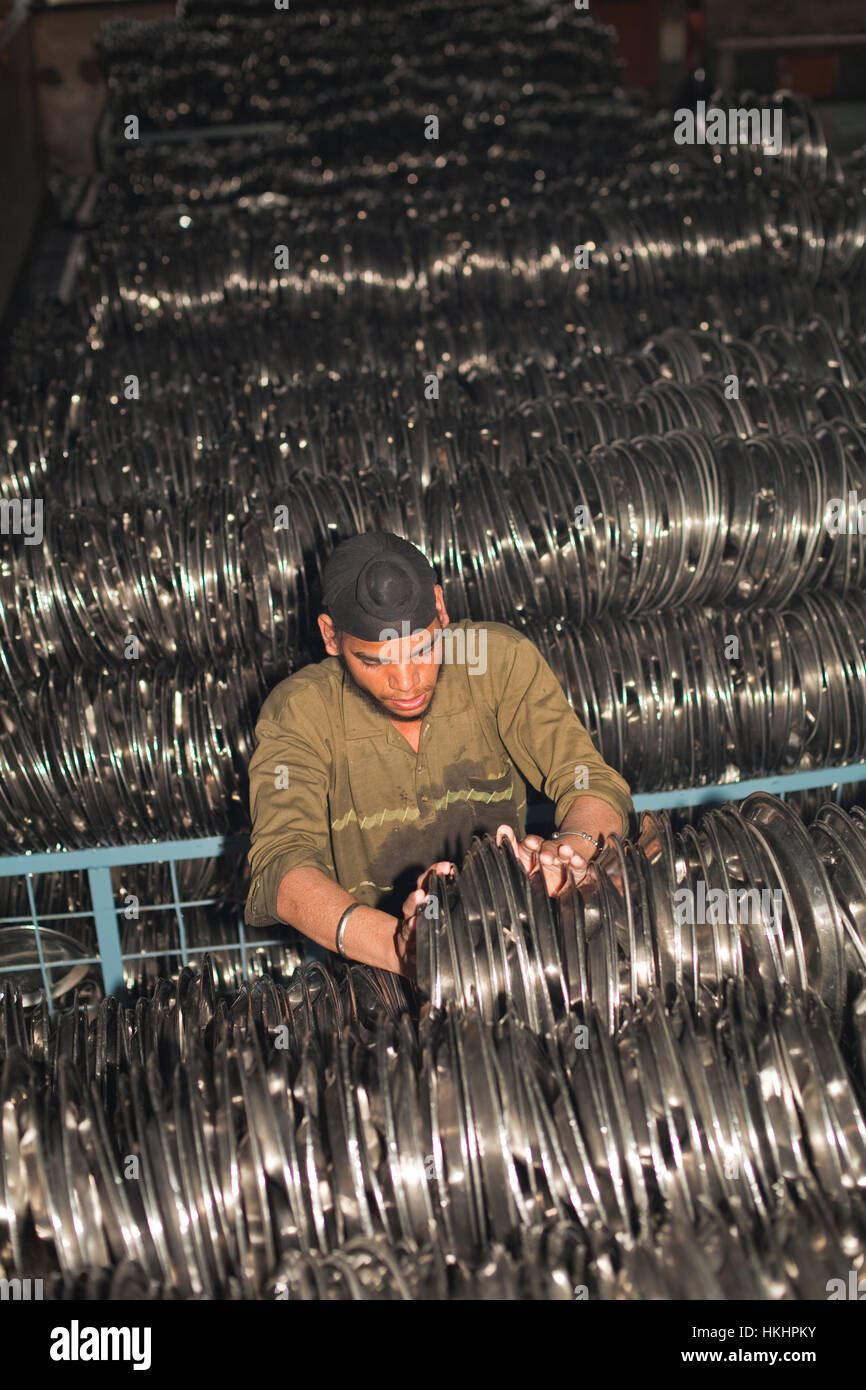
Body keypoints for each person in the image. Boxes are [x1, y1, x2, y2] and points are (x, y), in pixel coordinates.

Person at [245, 531, 633, 977]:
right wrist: (400, 948)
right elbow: (283, 866)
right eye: (375, 661)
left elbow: (586, 777)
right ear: (331, 637)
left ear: (440, 608)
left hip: (523, 950)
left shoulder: (496, 663)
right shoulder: (301, 713)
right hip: (378, 974)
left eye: (424, 649)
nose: (407, 681)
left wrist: (570, 854)